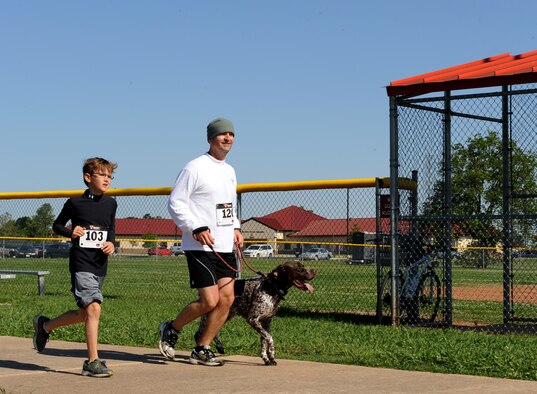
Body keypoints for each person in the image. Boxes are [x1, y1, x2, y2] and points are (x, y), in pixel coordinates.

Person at [159, 117, 243, 366]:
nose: (227, 138)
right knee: (209, 300)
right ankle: (171, 329)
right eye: (222, 134)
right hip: (200, 246)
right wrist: (195, 227)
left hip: (225, 246)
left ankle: (202, 348)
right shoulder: (194, 167)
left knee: (226, 299)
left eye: (231, 134)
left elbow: (227, 206)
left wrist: (236, 227)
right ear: (210, 138)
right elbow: (176, 202)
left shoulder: (229, 170)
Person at [33, 157, 118, 378]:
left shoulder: (111, 203)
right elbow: (57, 225)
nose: (107, 179)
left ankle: (45, 326)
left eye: (110, 175)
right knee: (94, 308)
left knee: (84, 313)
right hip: (81, 262)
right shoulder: (75, 203)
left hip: (100, 264)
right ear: (88, 177)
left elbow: (110, 231)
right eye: (102, 175)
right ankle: (92, 362)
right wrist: (71, 232)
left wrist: (112, 244)